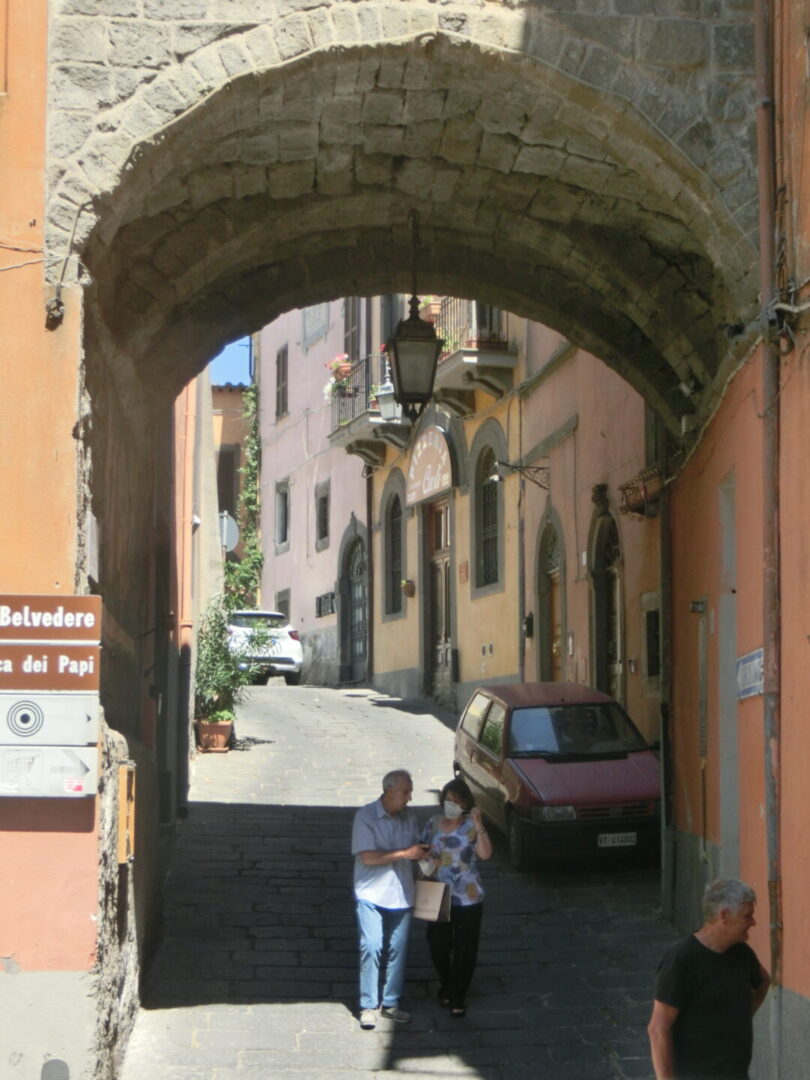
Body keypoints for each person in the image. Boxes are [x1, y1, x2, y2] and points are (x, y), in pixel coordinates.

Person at [647, 877, 771, 1080]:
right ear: (724, 916)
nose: (753, 922)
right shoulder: (682, 960)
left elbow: (763, 980)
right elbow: (658, 1029)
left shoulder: (741, 952)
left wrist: (740, 1017)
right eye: (747, 915)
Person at [351, 768, 429, 1030]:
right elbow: (368, 857)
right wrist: (405, 853)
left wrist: (424, 854)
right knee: (372, 945)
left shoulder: (409, 817)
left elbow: (414, 848)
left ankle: (391, 1002)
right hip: (371, 892)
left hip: (401, 892)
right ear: (389, 790)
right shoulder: (366, 816)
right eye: (406, 792)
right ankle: (368, 1005)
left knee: (399, 949)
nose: (409, 798)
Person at [420, 777, 493, 1017]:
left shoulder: (471, 826)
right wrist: (428, 862)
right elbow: (421, 852)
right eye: (448, 799)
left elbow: (485, 854)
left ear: (465, 804)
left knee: (465, 948)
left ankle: (457, 995)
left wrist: (479, 823)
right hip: (436, 891)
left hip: (468, 895)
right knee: (437, 945)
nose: (451, 804)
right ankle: (447, 982)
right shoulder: (432, 823)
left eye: (457, 801)